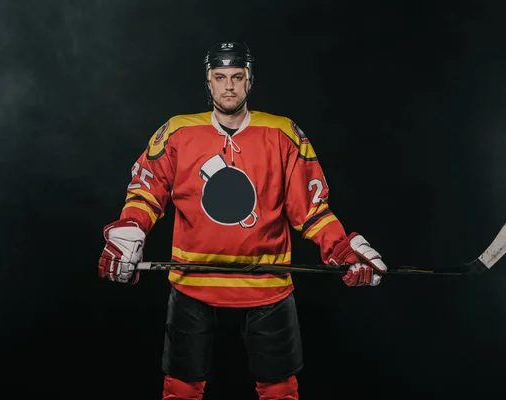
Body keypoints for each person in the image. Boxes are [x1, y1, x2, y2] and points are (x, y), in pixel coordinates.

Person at [97, 41, 388, 400]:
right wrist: (129, 231)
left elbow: (312, 210)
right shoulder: (177, 132)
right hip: (193, 283)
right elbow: (147, 191)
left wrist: (343, 249)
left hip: (266, 284)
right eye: (220, 77)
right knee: (180, 389)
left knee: (280, 389)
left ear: (250, 81)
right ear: (208, 82)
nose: (229, 86)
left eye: (237, 77)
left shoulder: (283, 134)